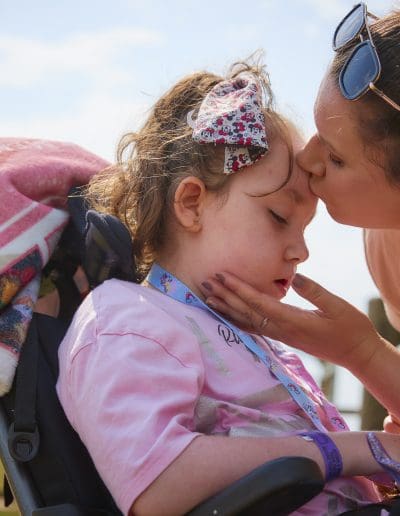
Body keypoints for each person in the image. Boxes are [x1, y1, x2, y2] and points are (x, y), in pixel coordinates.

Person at [56, 59, 400, 516]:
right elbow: (157, 483)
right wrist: (356, 449)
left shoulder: (253, 343)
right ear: (192, 203)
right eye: (279, 218)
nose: (301, 251)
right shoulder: (125, 318)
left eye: (305, 230)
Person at [199, 4, 400, 434]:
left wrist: (362, 353)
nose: (307, 159)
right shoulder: (387, 240)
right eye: (318, 133)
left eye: (337, 157)